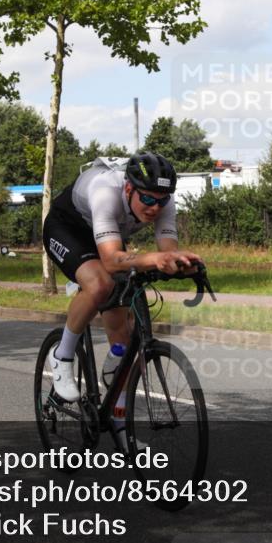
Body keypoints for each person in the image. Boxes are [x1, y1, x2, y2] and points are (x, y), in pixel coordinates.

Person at [43, 152, 202, 444]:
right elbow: (113, 260)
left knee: (126, 336)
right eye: (148, 200)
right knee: (100, 284)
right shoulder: (105, 192)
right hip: (68, 229)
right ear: (128, 189)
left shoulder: (163, 201)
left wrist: (179, 263)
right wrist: (153, 259)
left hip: (109, 237)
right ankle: (62, 355)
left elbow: (166, 249)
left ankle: (118, 421)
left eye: (161, 200)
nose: (155, 207)